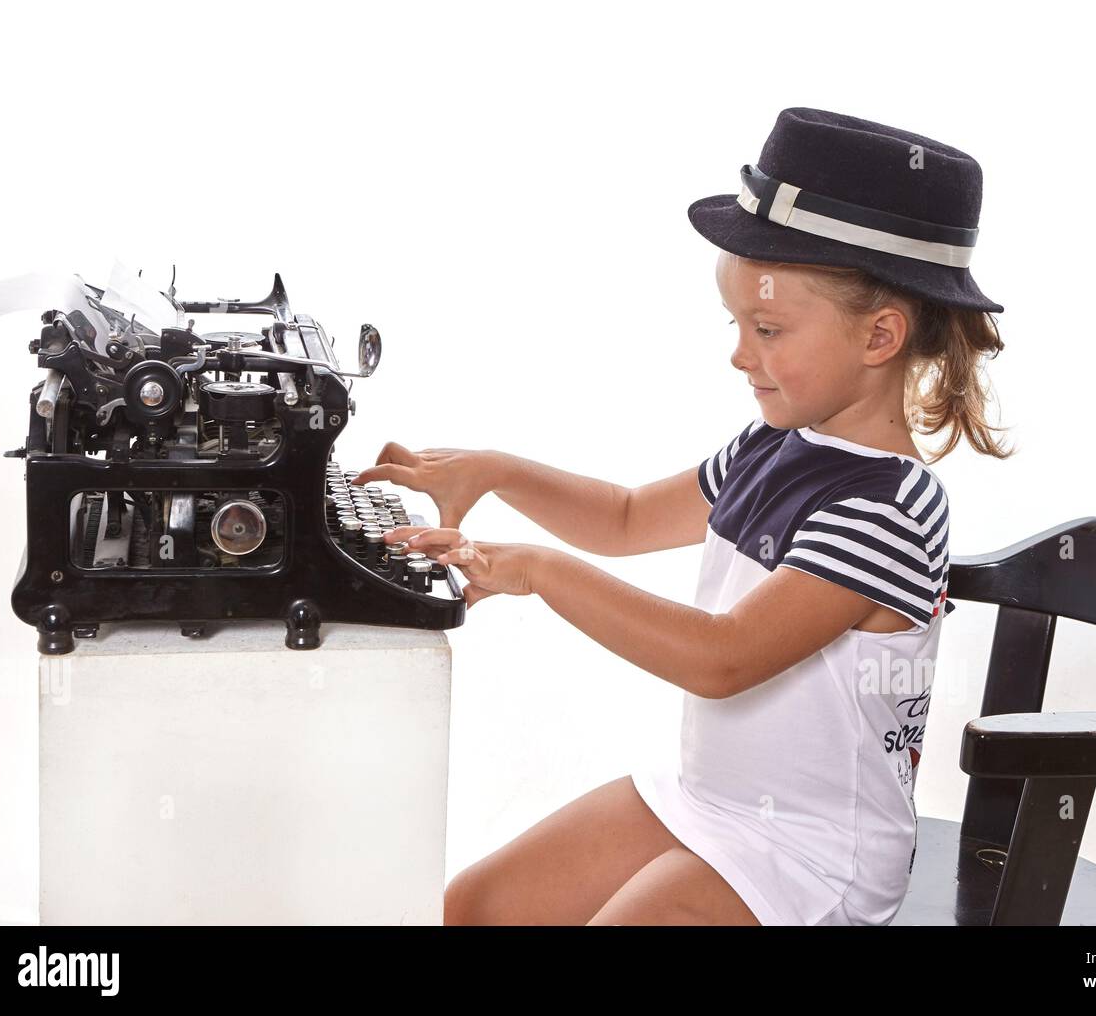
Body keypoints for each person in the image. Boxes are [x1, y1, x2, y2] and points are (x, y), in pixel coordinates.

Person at [353, 108, 1012, 925]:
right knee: (473, 910)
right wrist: (497, 471)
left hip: (808, 854)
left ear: (880, 334)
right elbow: (626, 518)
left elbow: (724, 659)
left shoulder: (890, 508)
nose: (741, 353)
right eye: (737, 325)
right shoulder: (774, 447)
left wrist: (540, 571)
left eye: (767, 328)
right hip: (710, 802)